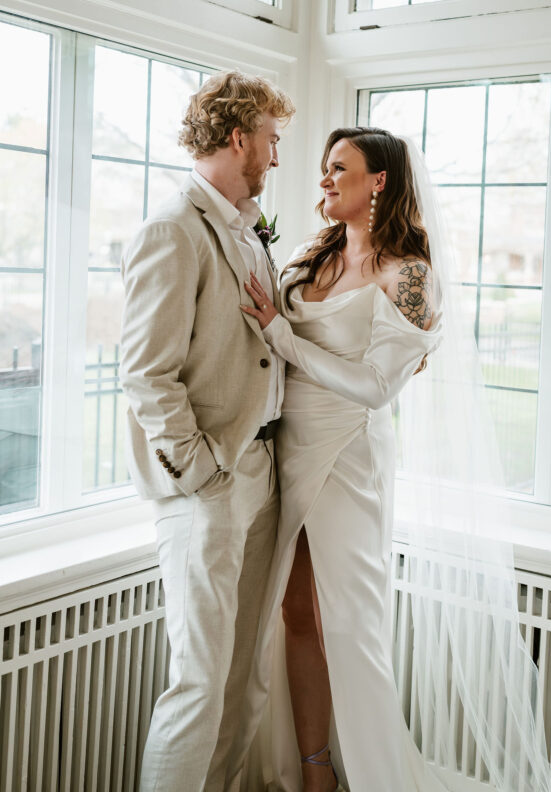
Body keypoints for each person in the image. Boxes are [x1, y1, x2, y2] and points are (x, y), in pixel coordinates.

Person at [234, 126, 551, 792]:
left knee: (349, 625)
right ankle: (312, 768)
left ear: (377, 180)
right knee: (294, 615)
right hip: (284, 451)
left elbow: (376, 386)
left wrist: (279, 333)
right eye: (324, 170)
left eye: (338, 169)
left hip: (346, 457)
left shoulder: (408, 274)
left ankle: (375, 772)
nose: (323, 181)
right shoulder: (309, 252)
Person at [119, 69, 295, 792]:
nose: (276, 158)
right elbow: (146, 373)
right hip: (210, 484)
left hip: (263, 471)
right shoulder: (171, 229)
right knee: (198, 684)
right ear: (237, 138)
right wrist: (201, 474)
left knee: (244, 676)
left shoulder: (247, 229)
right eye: (271, 141)